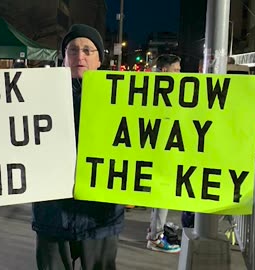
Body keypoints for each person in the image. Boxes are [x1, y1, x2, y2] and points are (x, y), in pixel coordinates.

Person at [32, 24, 124, 270]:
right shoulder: (36, 96)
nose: (79, 56)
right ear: (63, 58)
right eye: (72, 50)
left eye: (87, 50)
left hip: (101, 216)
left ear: (99, 59)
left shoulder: (122, 100)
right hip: (52, 215)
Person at [146, 54, 182, 254]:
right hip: (160, 150)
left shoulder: (152, 87)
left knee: (160, 193)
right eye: (176, 70)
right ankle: (156, 237)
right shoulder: (159, 90)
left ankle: (154, 231)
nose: (179, 73)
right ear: (164, 70)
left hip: (160, 149)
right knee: (163, 193)